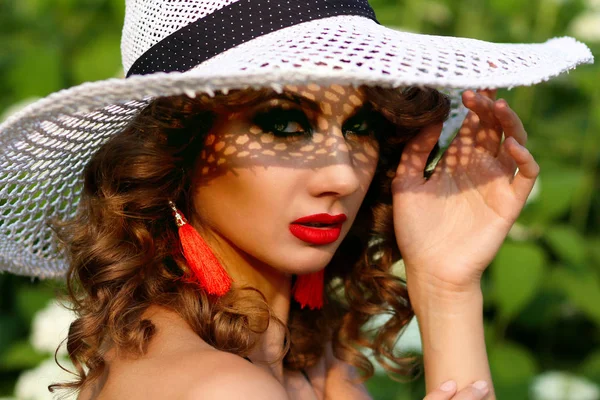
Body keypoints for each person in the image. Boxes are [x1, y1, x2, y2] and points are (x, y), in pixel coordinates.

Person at [0, 1, 593, 399]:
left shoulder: (309, 362)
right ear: (172, 151)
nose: (340, 173)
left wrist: (444, 285)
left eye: (360, 127)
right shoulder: (220, 388)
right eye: (284, 124)